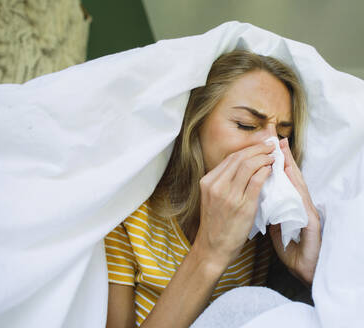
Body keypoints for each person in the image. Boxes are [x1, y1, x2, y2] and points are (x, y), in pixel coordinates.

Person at [104, 50, 322, 328]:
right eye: (246, 124)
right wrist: (211, 251)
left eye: (282, 135)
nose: (270, 146)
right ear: (196, 124)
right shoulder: (130, 218)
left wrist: (307, 271)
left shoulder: (266, 232)